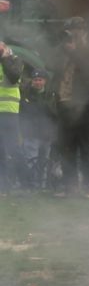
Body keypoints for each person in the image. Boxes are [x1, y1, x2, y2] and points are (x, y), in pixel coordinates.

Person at [51, 18, 89, 198]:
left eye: (74, 31)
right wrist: (64, 47)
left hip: (84, 105)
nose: (71, 34)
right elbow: (53, 67)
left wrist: (74, 52)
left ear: (83, 31)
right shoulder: (64, 50)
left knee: (86, 147)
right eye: (69, 31)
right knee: (66, 147)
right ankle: (70, 186)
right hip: (64, 104)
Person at [20, 70, 57, 187]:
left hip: (46, 134)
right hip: (31, 133)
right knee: (31, 160)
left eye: (40, 80)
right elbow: (23, 112)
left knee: (44, 161)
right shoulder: (25, 94)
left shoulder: (51, 95)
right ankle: (31, 184)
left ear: (45, 81)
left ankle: (42, 185)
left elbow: (54, 113)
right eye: (35, 80)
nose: (37, 82)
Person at [0, 42, 23, 195]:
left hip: (10, 113)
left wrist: (5, 58)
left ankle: (21, 181)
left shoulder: (15, 60)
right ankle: (3, 185)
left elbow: (14, 77)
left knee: (12, 150)